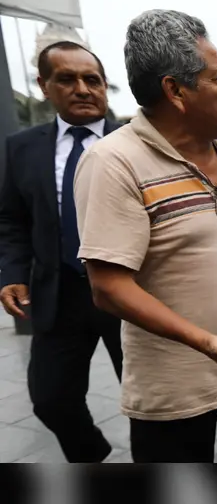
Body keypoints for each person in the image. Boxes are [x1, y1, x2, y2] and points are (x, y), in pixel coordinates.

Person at [73, 9, 217, 463]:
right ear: (175, 90)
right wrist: (211, 343)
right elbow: (108, 287)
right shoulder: (113, 162)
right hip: (173, 384)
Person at [0, 41, 124, 462]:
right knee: (50, 399)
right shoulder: (21, 149)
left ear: (106, 87)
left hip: (131, 295)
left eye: (93, 80)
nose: (83, 89)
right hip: (59, 295)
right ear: (44, 86)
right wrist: (12, 274)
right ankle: (93, 458)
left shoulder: (139, 141)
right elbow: (12, 220)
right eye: (67, 79)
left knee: (156, 403)